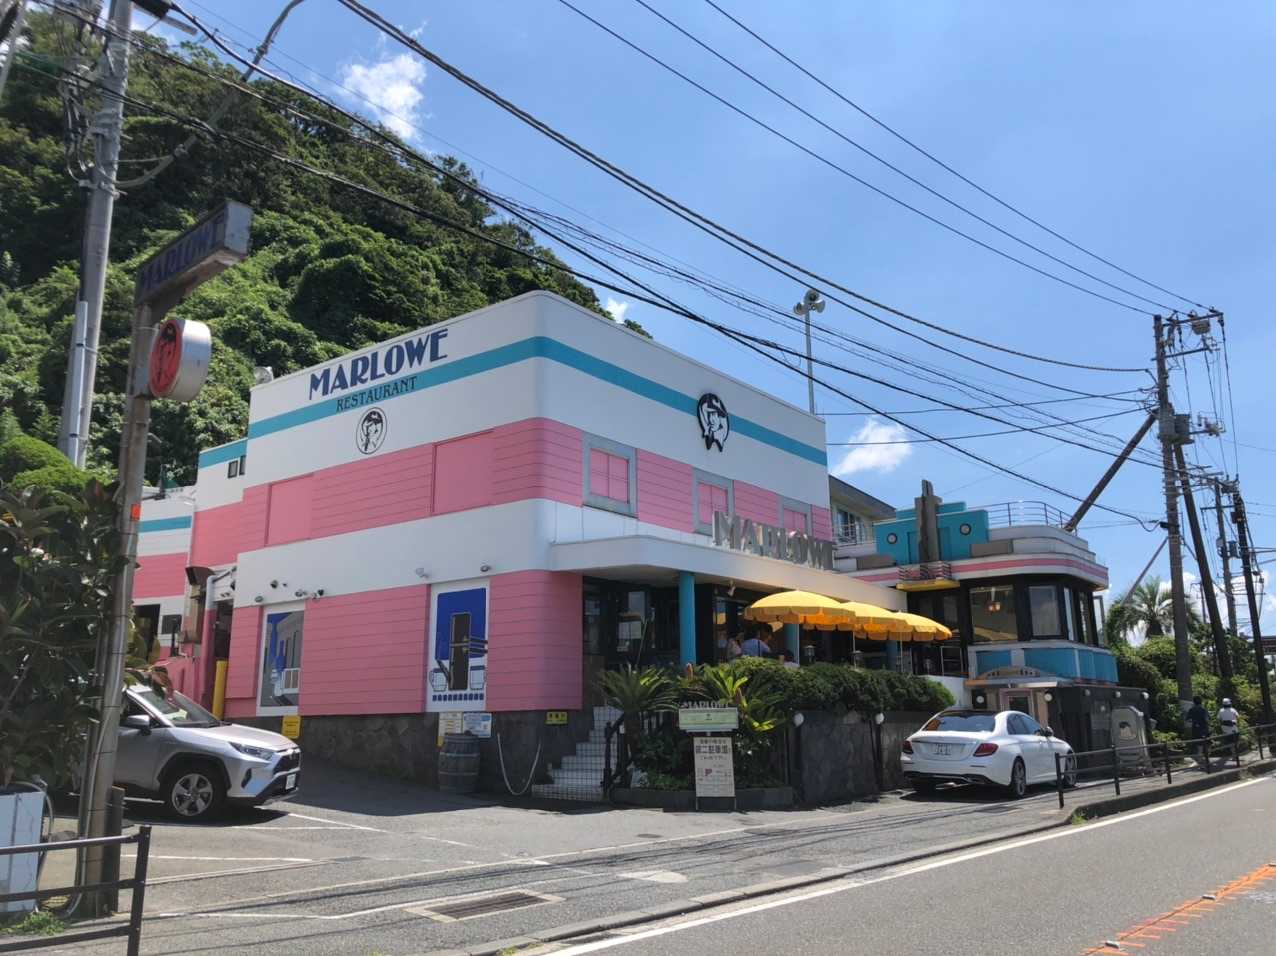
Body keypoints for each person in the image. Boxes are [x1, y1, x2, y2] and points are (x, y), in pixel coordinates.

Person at [1186, 695, 1210, 760]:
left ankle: (1200, 756)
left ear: (1194, 702)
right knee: (1205, 743)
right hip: (1204, 728)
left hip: (1195, 728)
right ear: (1201, 702)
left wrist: (1194, 721)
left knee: (1198, 744)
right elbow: (1207, 719)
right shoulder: (1203, 709)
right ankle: (1201, 757)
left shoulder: (1191, 710)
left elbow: (1188, 720)